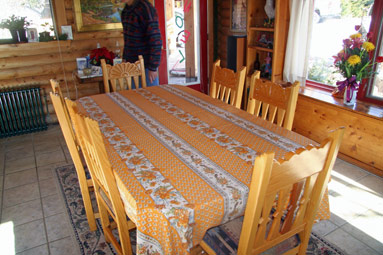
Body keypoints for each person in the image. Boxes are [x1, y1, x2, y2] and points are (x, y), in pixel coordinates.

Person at [121, 0, 162, 86]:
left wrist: (153, 67)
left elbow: (156, 40)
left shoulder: (145, 8)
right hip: (132, 67)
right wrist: (125, 58)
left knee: (152, 97)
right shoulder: (125, 11)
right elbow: (127, 39)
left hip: (147, 67)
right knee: (133, 98)